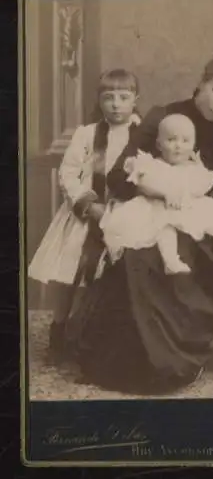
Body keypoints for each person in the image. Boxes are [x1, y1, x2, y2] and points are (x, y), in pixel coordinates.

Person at [66, 46, 213, 394]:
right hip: (153, 211)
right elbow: (117, 177)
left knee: (183, 261)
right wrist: (159, 190)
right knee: (139, 260)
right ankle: (130, 359)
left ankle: (176, 359)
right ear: (201, 83)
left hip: (206, 226)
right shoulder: (164, 116)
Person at [28, 69, 141, 363]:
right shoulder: (87, 134)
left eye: (123, 97)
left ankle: (101, 336)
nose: (116, 104)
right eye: (108, 97)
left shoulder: (142, 135)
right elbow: (68, 173)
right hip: (85, 215)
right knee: (70, 275)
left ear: (135, 100)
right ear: (99, 101)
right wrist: (88, 205)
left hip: (124, 217)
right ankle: (59, 329)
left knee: (116, 278)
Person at [100, 113, 213, 274]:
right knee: (165, 226)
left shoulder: (193, 168)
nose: (178, 146)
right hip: (157, 207)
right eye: (171, 140)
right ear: (159, 144)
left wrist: (190, 191)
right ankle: (170, 260)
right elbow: (144, 184)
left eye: (185, 141)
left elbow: (205, 184)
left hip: (188, 206)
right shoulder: (153, 165)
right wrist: (164, 193)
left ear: (193, 145)